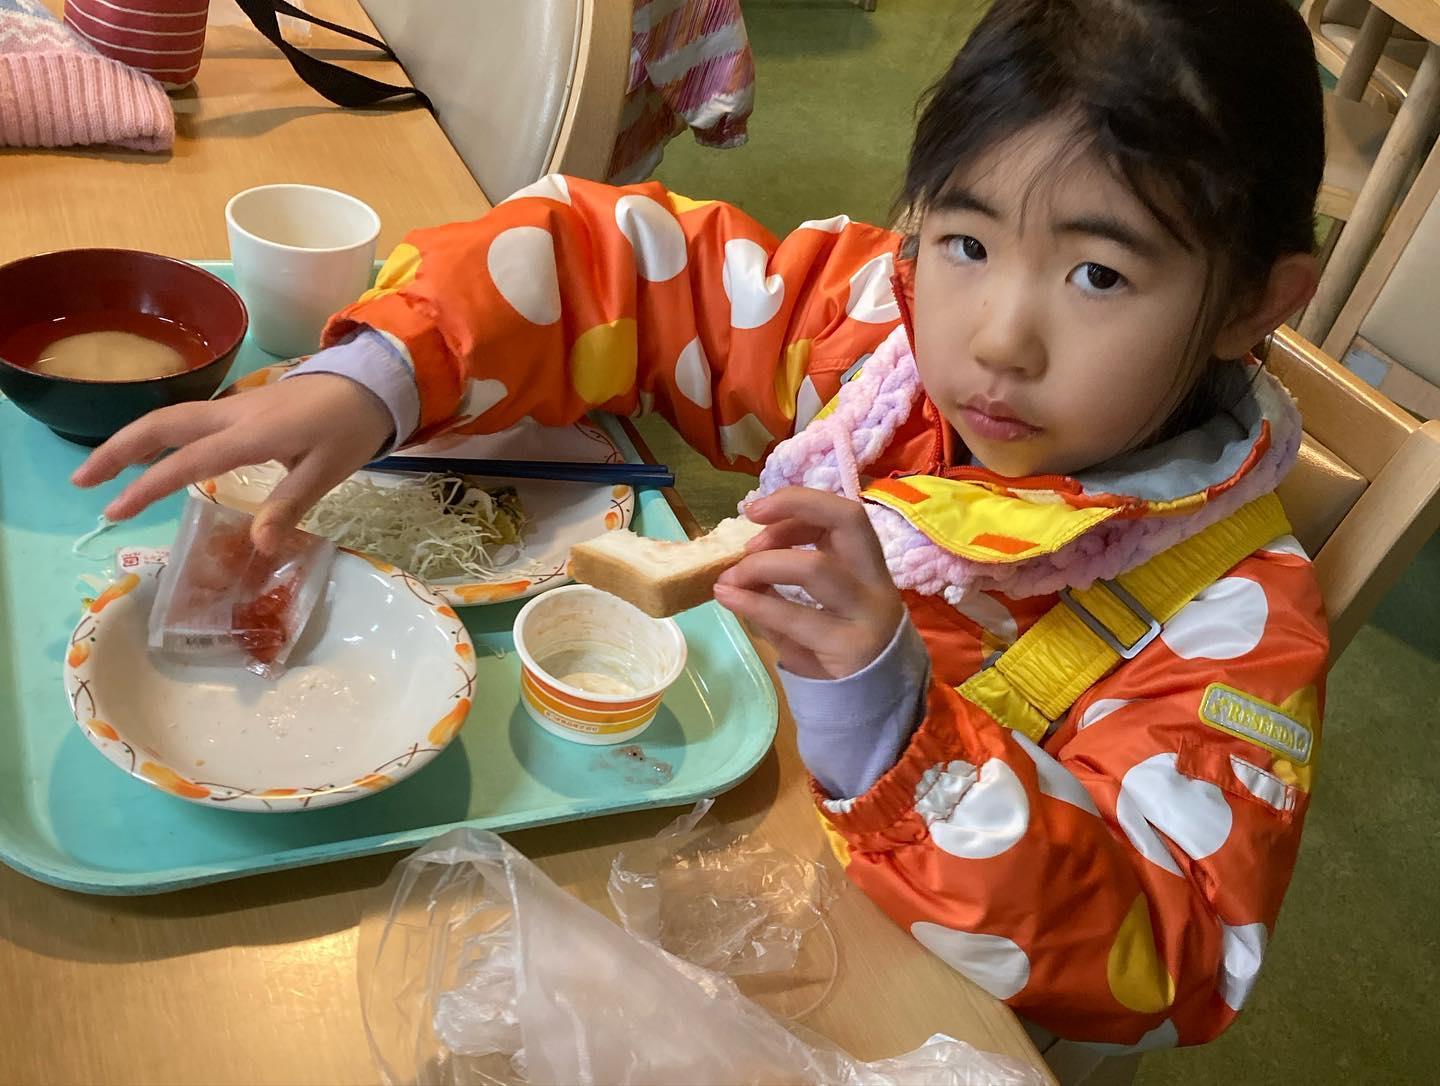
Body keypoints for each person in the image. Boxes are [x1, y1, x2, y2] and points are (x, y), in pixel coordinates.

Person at [75, 0, 1328, 1050]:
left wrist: (899, 727)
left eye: (1099, 274)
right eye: (964, 239)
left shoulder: (1233, 615)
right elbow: (607, 262)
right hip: (670, 857)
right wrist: (376, 380)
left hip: (891, 1008)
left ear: (1256, 303)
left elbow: (1178, 955)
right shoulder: (873, 338)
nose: (998, 338)